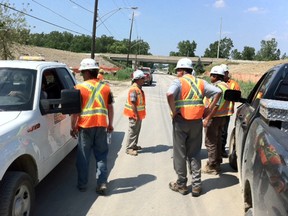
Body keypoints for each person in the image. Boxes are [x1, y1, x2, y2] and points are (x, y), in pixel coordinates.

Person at [166, 58, 221, 197]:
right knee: (195, 154)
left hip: (181, 121)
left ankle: (181, 184)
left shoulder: (179, 82)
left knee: (180, 154)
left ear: (182, 70)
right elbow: (218, 92)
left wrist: (174, 111)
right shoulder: (201, 82)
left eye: (178, 70)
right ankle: (196, 186)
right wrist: (208, 110)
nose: (177, 73)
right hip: (196, 122)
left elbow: (169, 94)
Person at [70, 58, 114, 195]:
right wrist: (110, 124)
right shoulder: (106, 88)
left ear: (88, 72)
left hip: (85, 126)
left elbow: (75, 111)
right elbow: (110, 108)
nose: (82, 75)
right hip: (101, 126)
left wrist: (73, 127)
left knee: (83, 157)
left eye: (83, 72)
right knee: (101, 156)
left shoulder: (79, 88)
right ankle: (101, 184)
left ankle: (82, 185)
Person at [202, 65, 230, 175]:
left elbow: (215, 105)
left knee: (210, 142)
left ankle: (212, 166)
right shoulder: (226, 86)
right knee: (218, 141)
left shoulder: (217, 88)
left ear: (216, 76)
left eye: (211, 75)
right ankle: (218, 162)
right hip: (222, 117)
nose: (210, 77)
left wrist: (207, 118)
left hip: (214, 117)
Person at [123, 70, 146, 156]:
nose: (144, 80)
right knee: (132, 131)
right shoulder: (134, 89)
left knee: (136, 131)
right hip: (134, 115)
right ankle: (129, 148)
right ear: (138, 79)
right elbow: (133, 103)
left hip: (138, 115)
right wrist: (136, 115)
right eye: (143, 78)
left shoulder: (138, 88)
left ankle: (134, 145)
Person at [220, 64, 241, 158]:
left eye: (224, 73)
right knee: (215, 133)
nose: (222, 74)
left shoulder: (233, 84)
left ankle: (222, 150)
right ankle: (215, 150)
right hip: (214, 112)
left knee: (223, 132)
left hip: (226, 112)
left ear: (227, 73)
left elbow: (237, 97)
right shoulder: (216, 82)